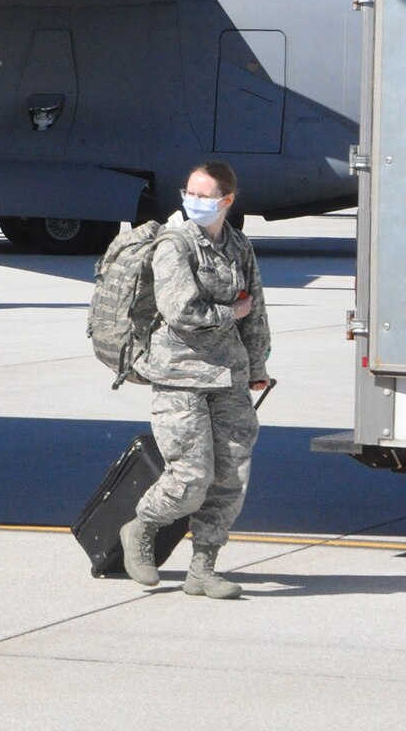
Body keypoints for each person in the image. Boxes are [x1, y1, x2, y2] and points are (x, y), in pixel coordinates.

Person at [121, 161, 272, 599]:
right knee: (191, 475)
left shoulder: (239, 246)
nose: (194, 201)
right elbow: (181, 311)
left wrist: (257, 366)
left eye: (205, 196)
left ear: (227, 200)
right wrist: (230, 313)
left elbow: (255, 307)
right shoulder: (175, 244)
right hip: (180, 375)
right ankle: (142, 526)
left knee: (230, 477)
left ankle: (203, 568)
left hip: (230, 376)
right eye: (189, 193)